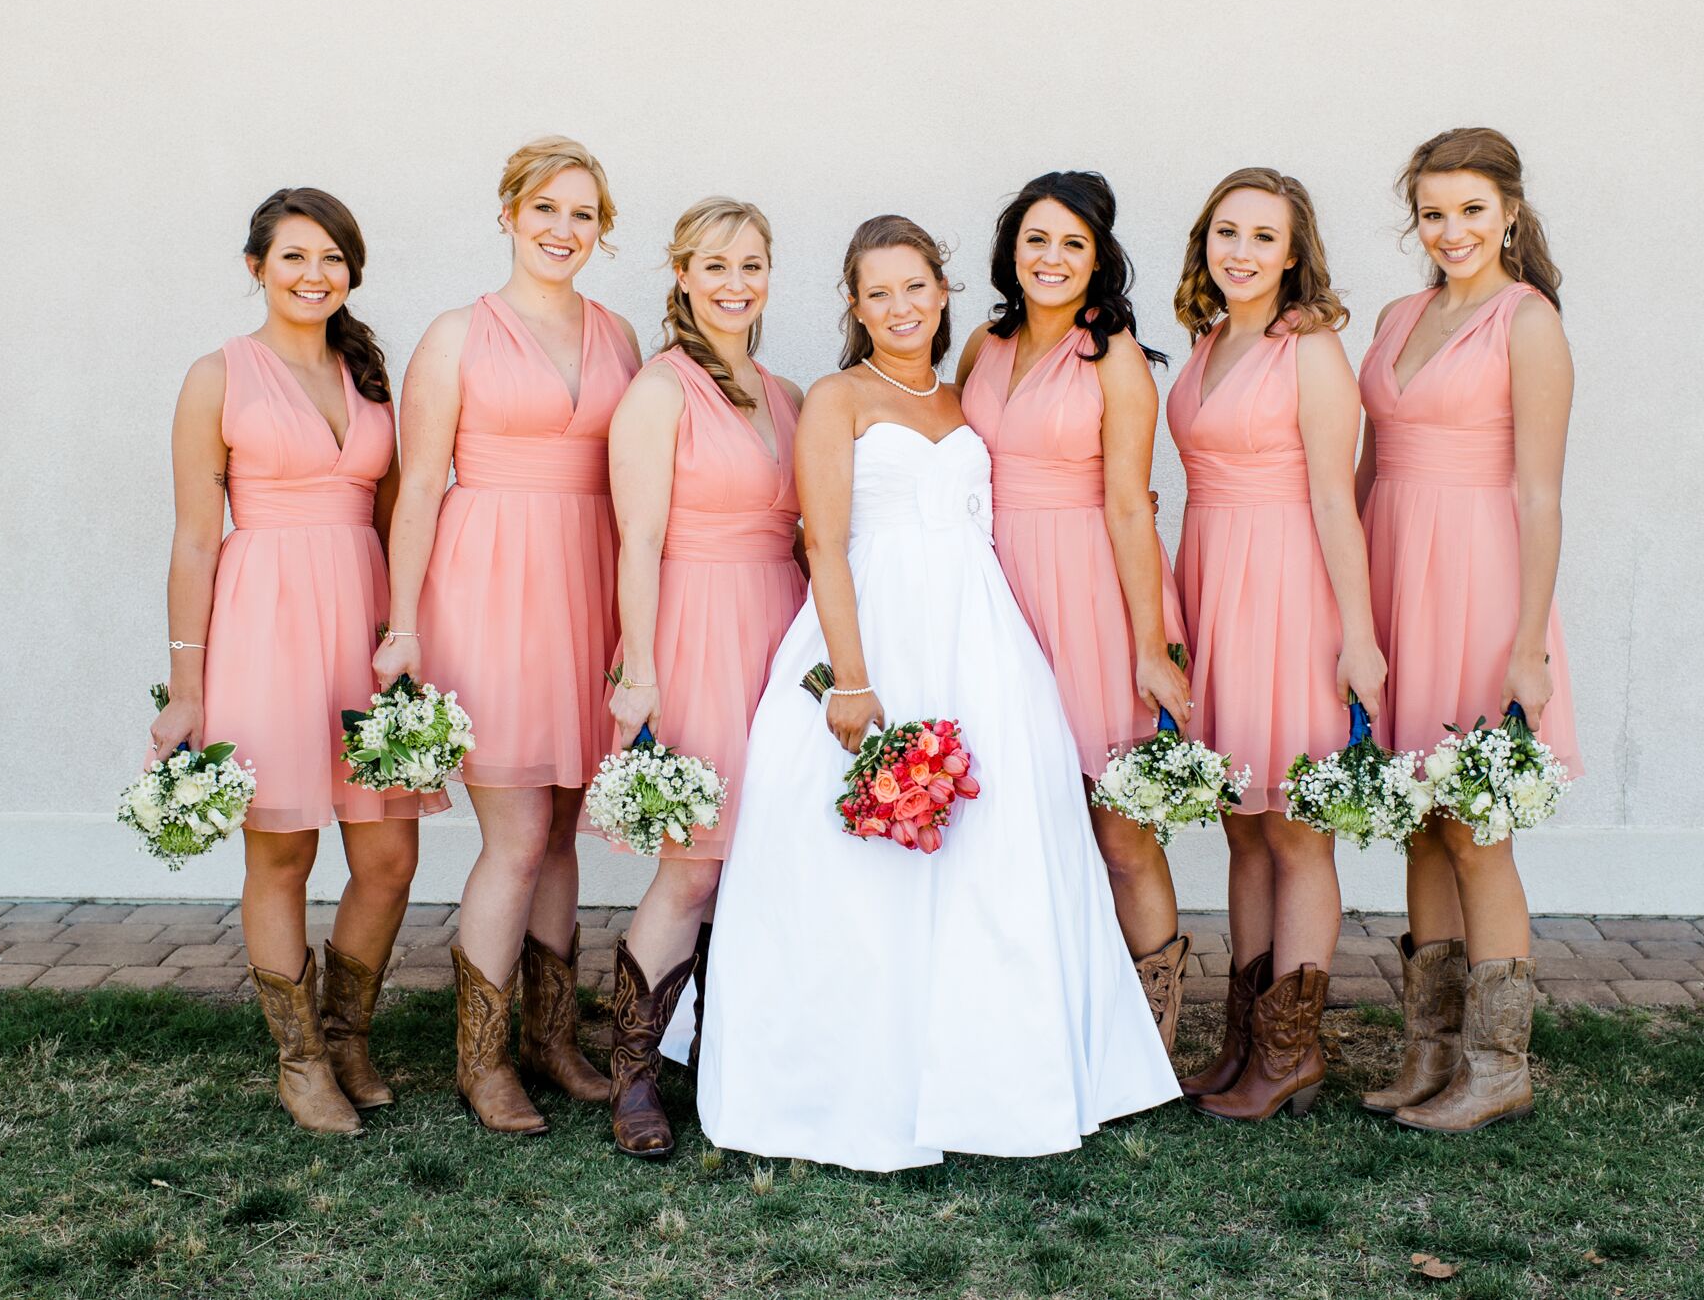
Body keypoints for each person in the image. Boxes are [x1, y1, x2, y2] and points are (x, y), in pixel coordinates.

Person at [695, 215, 1180, 1171]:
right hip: (875, 627)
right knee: (856, 859)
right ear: (853, 304)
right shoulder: (836, 398)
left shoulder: (968, 394)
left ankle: (993, 1067)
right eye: (877, 292)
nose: (899, 307)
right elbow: (823, 543)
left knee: (998, 848)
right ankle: (859, 1073)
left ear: (945, 291)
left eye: (915, 286)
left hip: (981, 631)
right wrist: (852, 677)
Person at [150, 188, 442, 1134]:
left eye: (332, 258)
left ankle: (350, 1032)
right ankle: (301, 1058)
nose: (314, 275)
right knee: (282, 850)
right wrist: (186, 688)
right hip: (262, 620)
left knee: (390, 853)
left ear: (352, 270)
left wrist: (409, 627)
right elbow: (196, 540)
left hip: (362, 621)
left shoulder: (370, 374)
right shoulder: (216, 376)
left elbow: (403, 515)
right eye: (293, 258)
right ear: (256, 268)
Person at [375, 137, 640, 1135]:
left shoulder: (618, 337)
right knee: (517, 831)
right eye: (544, 210)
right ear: (507, 215)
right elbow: (415, 495)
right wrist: (402, 622)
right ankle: (480, 1059)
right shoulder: (455, 336)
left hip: (589, 586)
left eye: (582, 214)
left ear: (599, 230)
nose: (562, 230)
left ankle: (550, 1035)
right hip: (487, 588)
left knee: (564, 826)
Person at [1355, 128, 1582, 1132]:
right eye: (1434, 212)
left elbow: (1540, 498)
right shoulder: (1399, 312)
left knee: (1474, 829)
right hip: (1395, 571)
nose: (1451, 230)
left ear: (1509, 214)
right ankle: (1429, 1049)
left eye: (1471, 211)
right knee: (1418, 819)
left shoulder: (1524, 322)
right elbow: (1365, 472)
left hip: (1481, 587)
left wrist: (1526, 643)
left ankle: (1497, 1065)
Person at [1165, 168, 1386, 1121]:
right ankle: (1245, 1039)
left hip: (1291, 590)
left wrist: (1360, 637)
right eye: (1226, 232)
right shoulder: (1211, 339)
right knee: (1241, 824)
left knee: (1294, 826)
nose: (1241, 251)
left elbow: (1337, 499)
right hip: (1215, 579)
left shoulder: (1313, 349)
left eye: (1263, 236)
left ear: (1293, 254)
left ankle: (1292, 1052)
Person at [956, 171, 1195, 1049]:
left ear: (1099, 260)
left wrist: (1149, 645)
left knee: (1118, 824)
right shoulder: (982, 343)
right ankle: (1033, 1015)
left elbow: (1131, 504)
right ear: (1011, 250)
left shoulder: (1115, 355)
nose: (1050, 258)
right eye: (1036, 239)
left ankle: (1152, 1036)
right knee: (1014, 812)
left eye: (1072, 243)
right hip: (993, 591)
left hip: (1089, 593)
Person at [603, 197, 807, 1157]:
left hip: (779, 631)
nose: (736, 283)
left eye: (753, 265)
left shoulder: (788, 393)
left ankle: (726, 1051)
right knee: (692, 861)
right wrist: (639, 669)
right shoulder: (659, 390)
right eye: (716, 265)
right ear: (681, 275)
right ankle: (633, 1072)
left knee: (762, 853)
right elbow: (637, 539)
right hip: (693, 627)